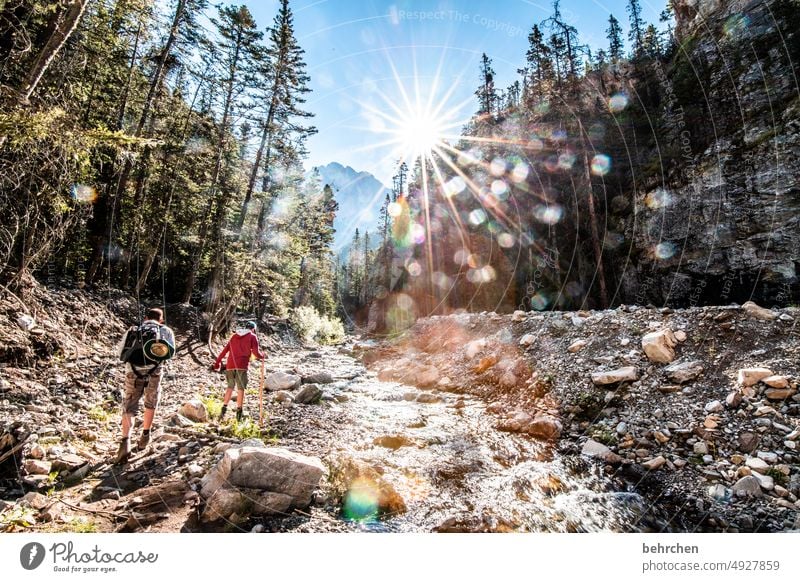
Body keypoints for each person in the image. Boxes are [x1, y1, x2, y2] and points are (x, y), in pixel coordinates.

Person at [114, 307, 175, 464]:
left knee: (130, 405)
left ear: (145, 318)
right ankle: (145, 437)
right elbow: (170, 354)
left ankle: (125, 441)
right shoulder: (166, 330)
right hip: (155, 372)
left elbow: (120, 352)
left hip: (132, 372)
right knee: (151, 403)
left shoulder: (133, 329)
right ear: (161, 320)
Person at [212, 320, 265, 422]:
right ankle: (239, 413)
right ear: (253, 329)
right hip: (242, 366)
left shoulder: (234, 336)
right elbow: (256, 352)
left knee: (230, 387)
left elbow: (225, 350)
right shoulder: (252, 336)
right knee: (241, 388)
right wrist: (263, 356)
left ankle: (223, 410)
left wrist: (217, 362)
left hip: (230, 365)